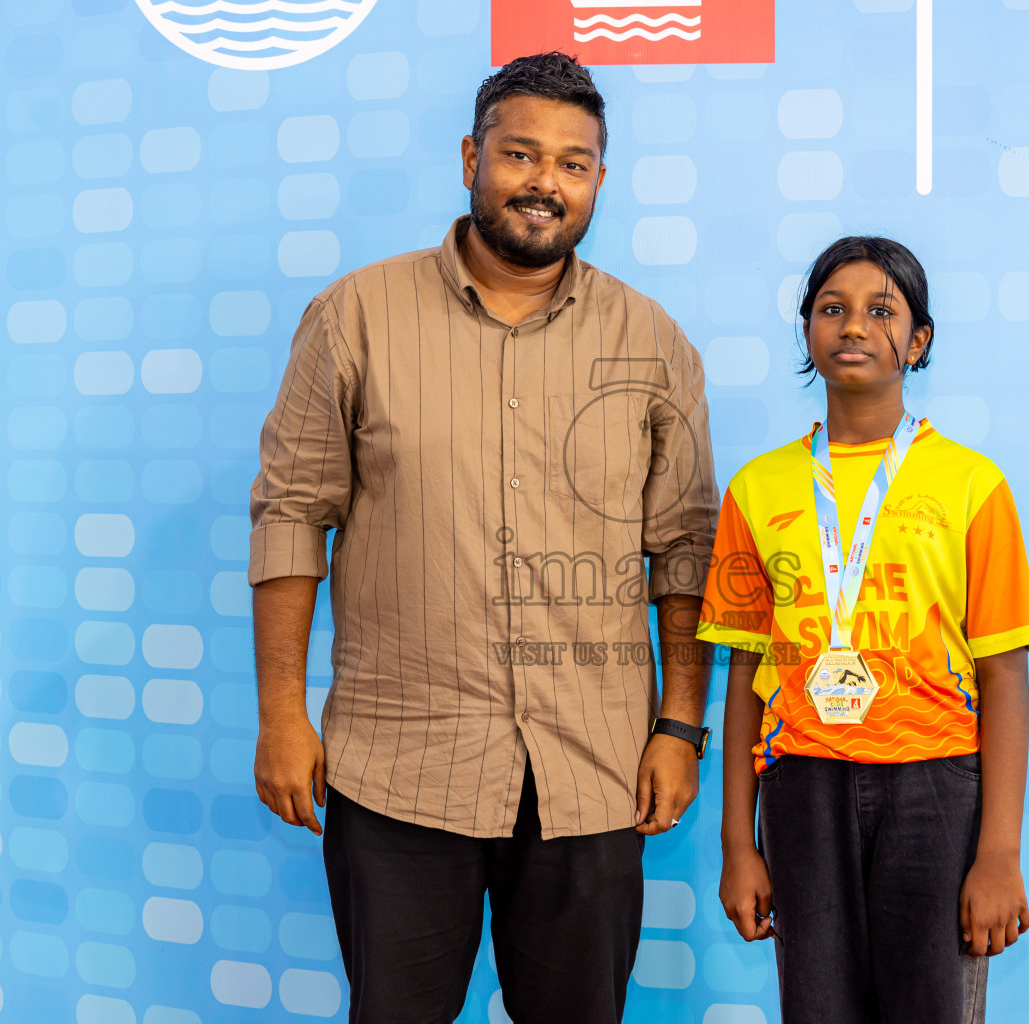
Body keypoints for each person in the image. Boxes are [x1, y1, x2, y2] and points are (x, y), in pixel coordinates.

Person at [247, 53, 718, 1024]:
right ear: (472, 157)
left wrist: (679, 727)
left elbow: (684, 552)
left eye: (575, 163)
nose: (546, 181)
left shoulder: (653, 342)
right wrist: (282, 714)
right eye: (520, 154)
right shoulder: (356, 317)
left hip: (593, 774)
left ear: (598, 179)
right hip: (401, 768)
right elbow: (292, 511)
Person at [701, 236, 1029, 1022]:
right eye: (832, 309)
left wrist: (998, 852)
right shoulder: (757, 489)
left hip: (936, 783)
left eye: (881, 311)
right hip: (800, 783)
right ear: (808, 333)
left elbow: (1004, 673)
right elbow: (744, 674)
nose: (853, 325)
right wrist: (736, 844)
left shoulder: (971, 484)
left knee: (934, 1007)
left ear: (918, 342)